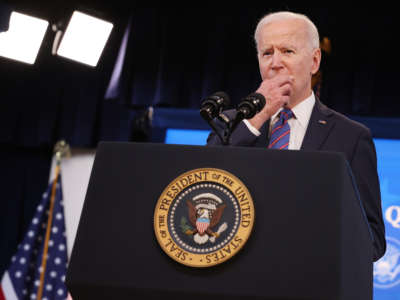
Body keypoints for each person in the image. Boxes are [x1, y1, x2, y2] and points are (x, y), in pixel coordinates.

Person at [207, 11, 386, 261]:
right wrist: (257, 116)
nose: (275, 62)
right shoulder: (229, 123)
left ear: (314, 61)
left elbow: (372, 240)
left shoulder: (351, 137)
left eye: (288, 51)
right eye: (267, 53)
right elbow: (206, 184)